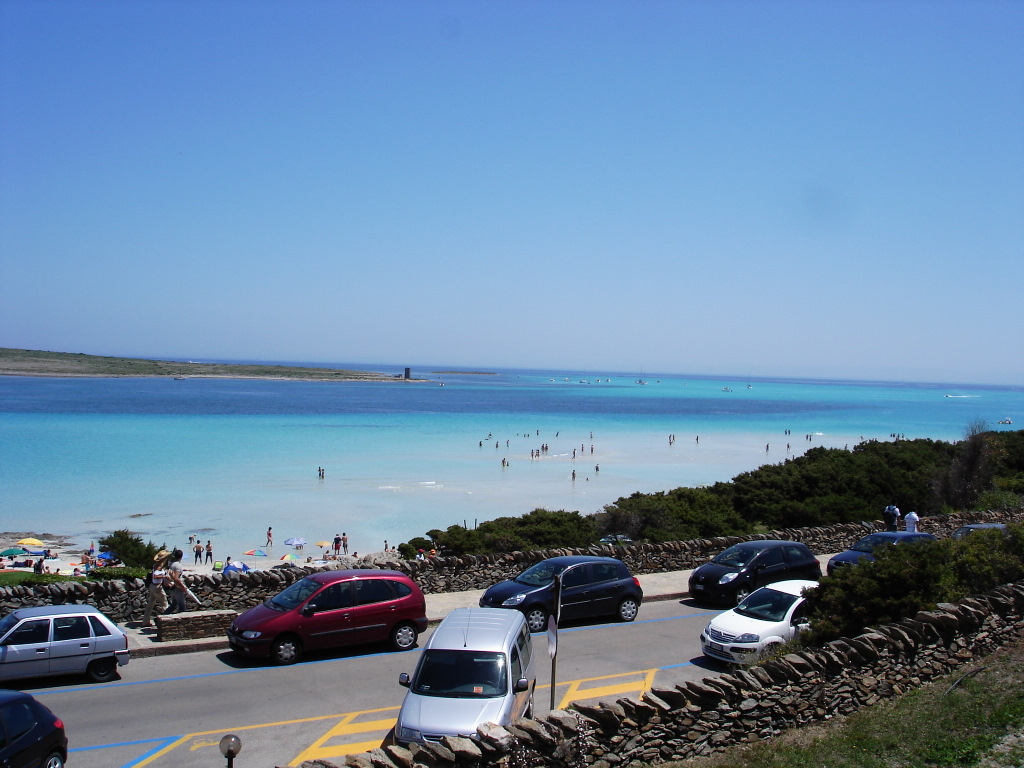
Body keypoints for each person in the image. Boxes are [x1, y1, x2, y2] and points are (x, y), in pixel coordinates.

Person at [143, 552, 169, 626]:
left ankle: (146, 621)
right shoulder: (158, 566)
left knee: (150, 604)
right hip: (157, 587)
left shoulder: (156, 565)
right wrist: (164, 576)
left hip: (152, 586)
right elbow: (155, 576)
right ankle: (166, 621)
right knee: (164, 604)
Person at [165, 549, 186, 614]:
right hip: (177, 587)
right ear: (181, 556)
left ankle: (164, 615)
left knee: (174, 605)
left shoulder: (172, 564)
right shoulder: (178, 565)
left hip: (172, 587)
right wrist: (182, 587)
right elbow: (176, 578)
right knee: (182, 607)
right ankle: (183, 621)